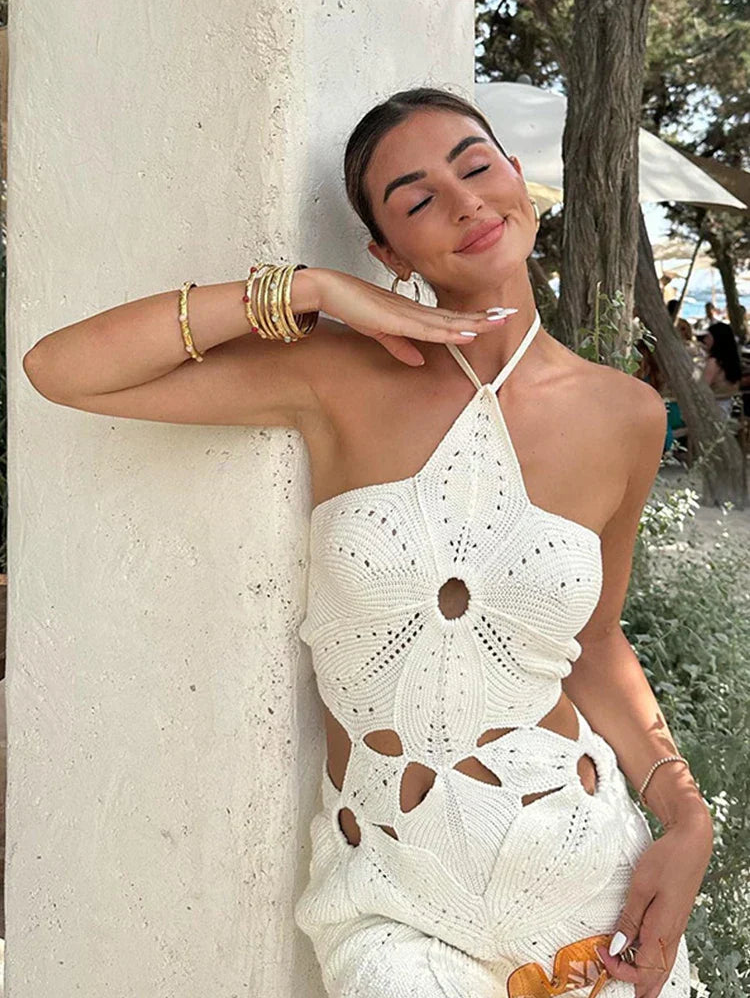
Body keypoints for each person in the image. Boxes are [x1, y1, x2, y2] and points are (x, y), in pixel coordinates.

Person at [22, 87, 713, 998]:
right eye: (417, 200)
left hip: (586, 872)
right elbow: (62, 369)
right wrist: (309, 290)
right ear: (387, 253)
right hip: (389, 893)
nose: (464, 201)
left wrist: (686, 817)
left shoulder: (624, 413)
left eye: (476, 166)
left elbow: (594, 639)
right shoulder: (337, 374)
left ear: (519, 180)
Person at [699, 321, 742, 419]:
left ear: (717, 339)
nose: (705, 340)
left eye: (708, 337)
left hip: (714, 408)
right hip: (728, 405)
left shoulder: (714, 362)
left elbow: (702, 388)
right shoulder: (731, 360)